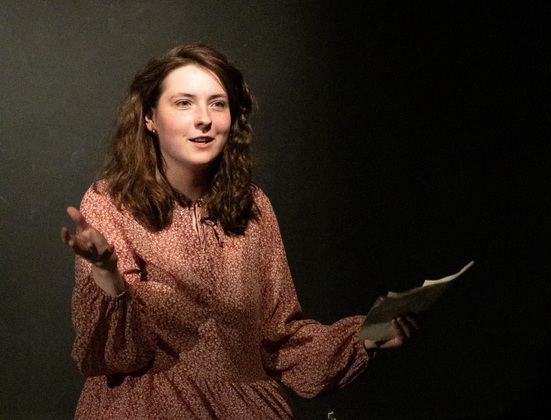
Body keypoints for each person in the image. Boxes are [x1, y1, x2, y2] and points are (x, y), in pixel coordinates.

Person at [61, 41, 419, 419]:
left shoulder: (253, 208)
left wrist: (365, 337)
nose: (204, 118)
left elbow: (279, 341)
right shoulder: (112, 202)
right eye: (184, 103)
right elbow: (114, 354)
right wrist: (107, 272)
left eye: (217, 104)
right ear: (150, 117)